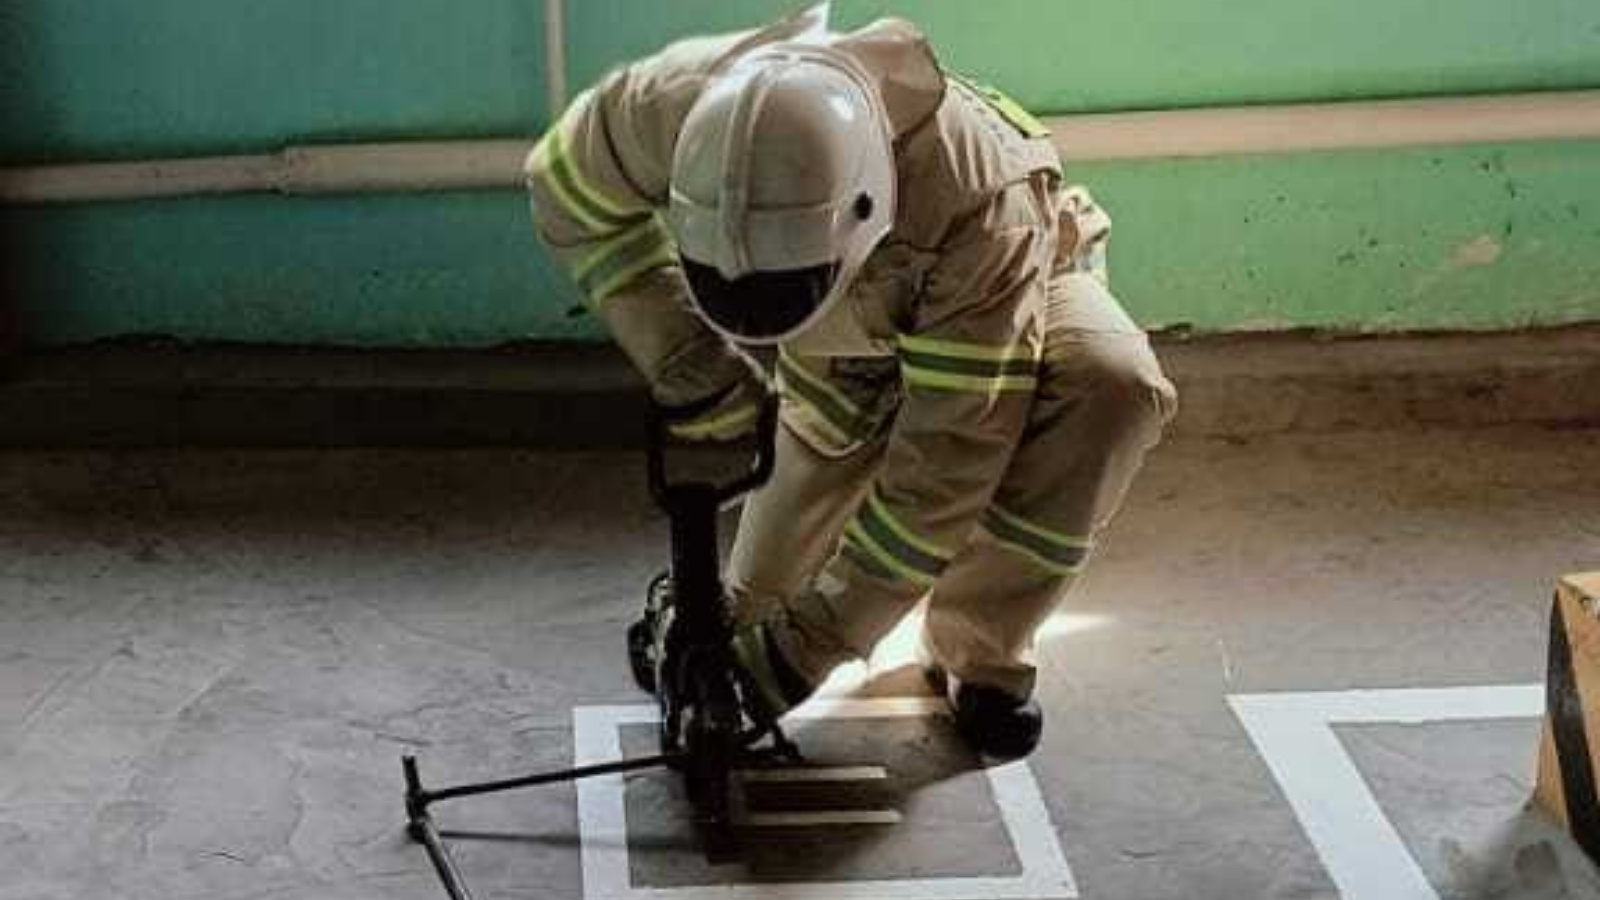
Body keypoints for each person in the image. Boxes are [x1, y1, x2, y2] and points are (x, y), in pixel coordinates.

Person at [525, 6, 1177, 757]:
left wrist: (800, 656)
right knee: (749, 612)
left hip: (1008, 292)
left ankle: (980, 653)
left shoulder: (978, 197)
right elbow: (566, 189)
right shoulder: (676, 107)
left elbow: (945, 467)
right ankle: (699, 606)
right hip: (839, 346)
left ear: (859, 208)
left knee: (1108, 387)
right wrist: (692, 365)